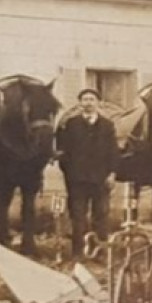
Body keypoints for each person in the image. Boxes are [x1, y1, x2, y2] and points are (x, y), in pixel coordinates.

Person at [55, 87, 117, 259]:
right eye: (85, 100)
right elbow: (64, 153)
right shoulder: (71, 124)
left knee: (101, 216)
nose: (88, 103)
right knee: (78, 216)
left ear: (98, 103)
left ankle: (100, 252)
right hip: (78, 180)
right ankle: (78, 252)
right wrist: (70, 174)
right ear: (80, 103)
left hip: (101, 179)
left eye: (91, 100)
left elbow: (113, 152)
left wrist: (111, 173)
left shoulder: (107, 125)